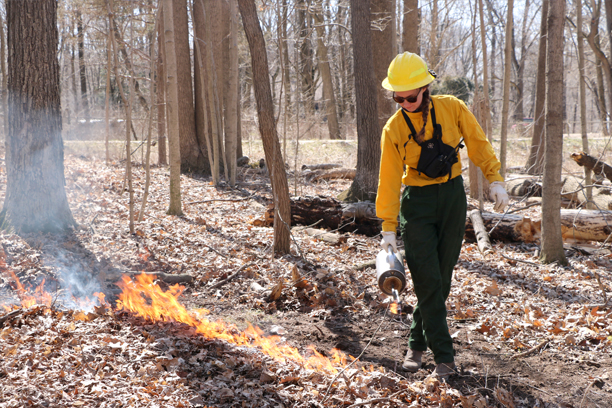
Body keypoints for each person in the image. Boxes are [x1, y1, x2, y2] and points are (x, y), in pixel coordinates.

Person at [375, 52, 509, 380]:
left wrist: (495, 179)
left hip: (452, 198)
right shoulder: (393, 129)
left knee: (441, 280)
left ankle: (416, 344)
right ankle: (445, 357)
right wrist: (388, 228)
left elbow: (478, 143)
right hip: (416, 204)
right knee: (427, 280)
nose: (404, 102)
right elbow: (389, 180)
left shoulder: (452, 108)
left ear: (425, 88)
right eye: (398, 97)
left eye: (410, 96)